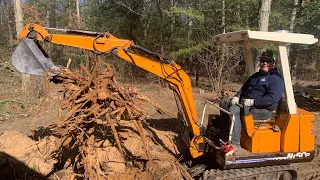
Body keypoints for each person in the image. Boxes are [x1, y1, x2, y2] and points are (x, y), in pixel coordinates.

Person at [220, 50, 284, 149]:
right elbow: (244, 88)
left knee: (234, 110)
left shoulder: (276, 79)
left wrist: (253, 102)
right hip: (247, 106)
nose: (264, 63)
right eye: (263, 61)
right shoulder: (255, 76)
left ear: (273, 63)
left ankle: (235, 143)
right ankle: (225, 134)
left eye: (268, 61)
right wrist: (237, 96)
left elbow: (271, 99)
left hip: (263, 110)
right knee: (224, 102)